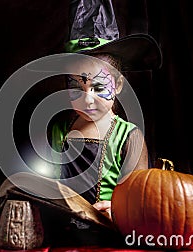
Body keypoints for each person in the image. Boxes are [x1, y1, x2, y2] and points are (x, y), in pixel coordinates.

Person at [48, 53, 149, 219]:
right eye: (76, 89)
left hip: (108, 228)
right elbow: (50, 179)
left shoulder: (129, 136)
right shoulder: (60, 130)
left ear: (117, 85)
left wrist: (118, 208)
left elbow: (141, 193)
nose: (87, 99)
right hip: (63, 227)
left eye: (99, 87)